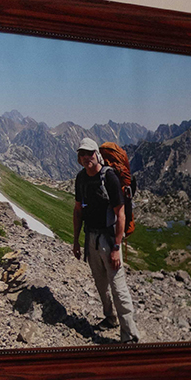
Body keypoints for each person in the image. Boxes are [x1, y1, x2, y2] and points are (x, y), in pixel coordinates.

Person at [70, 137, 140, 343]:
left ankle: (130, 337)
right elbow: (77, 211)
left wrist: (117, 247)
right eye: (81, 154)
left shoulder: (109, 177)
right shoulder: (80, 178)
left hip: (109, 240)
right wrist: (75, 241)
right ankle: (110, 319)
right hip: (90, 238)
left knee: (118, 288)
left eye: (89, 153)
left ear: (96, 154)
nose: (85, 157)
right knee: (101, 284)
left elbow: (121, 214)